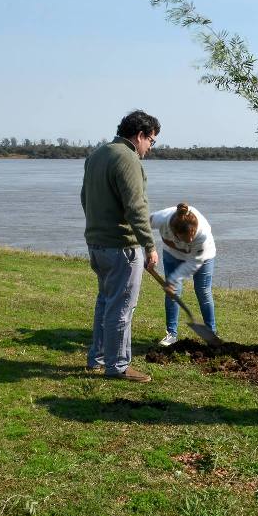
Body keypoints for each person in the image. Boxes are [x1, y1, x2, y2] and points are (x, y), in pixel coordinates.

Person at [80, 109, 161, 383]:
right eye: (151, 140)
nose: (150, 147)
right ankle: (118, 366)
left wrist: (97, 229)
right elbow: (136, 207)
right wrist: (149, 245)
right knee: (122, 307)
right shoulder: (128, 159)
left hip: (97, 244)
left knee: (105, 302)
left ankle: (98, 358)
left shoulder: (97, 155)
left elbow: (85, 199)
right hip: (121, 248)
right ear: (139, 135)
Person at [150, 203, 217, 346]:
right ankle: (171, 334)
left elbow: (193, 263)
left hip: (202, 258)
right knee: (173, 294)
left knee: (203, 292)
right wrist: (148, 249)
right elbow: (140, 224)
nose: (190, 241)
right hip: (172, 255)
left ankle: (211, 334)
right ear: (174, 232)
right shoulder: (162, 219)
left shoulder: (203, 233)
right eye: (186, 239)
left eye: (192, 237)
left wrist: (173, 280)